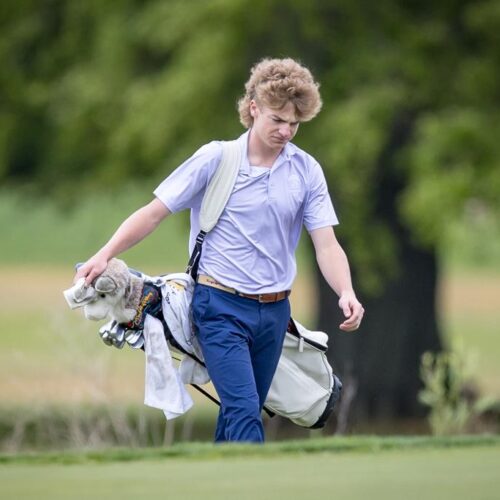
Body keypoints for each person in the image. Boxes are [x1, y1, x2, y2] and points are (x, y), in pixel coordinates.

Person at [75, 57, 364, 443]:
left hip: (276, 312)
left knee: (239, 412)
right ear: (254, 108)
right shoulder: (216, 158)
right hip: (219, 307)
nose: (286, 131)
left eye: (295, 123)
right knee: (246, 411)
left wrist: (346, 291)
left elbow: (326, 244)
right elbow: (153, 213)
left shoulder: (306, 170)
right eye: (277, 120)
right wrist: (104, 254)